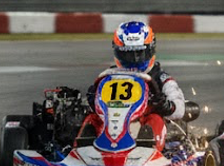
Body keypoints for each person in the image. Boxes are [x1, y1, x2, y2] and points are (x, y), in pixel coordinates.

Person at [77, 21, 185, 149]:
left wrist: (165, 105)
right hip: (111, 123)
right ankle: (82, 151)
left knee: (155, 119)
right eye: (127, 55)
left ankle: (149, 149)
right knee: (92, 118)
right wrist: (92, 98)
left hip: (142, 126)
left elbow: (179, 109)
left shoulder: (160, 78)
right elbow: (94, 105)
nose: (134, 60)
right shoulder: (108, 76)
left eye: (139, 54)